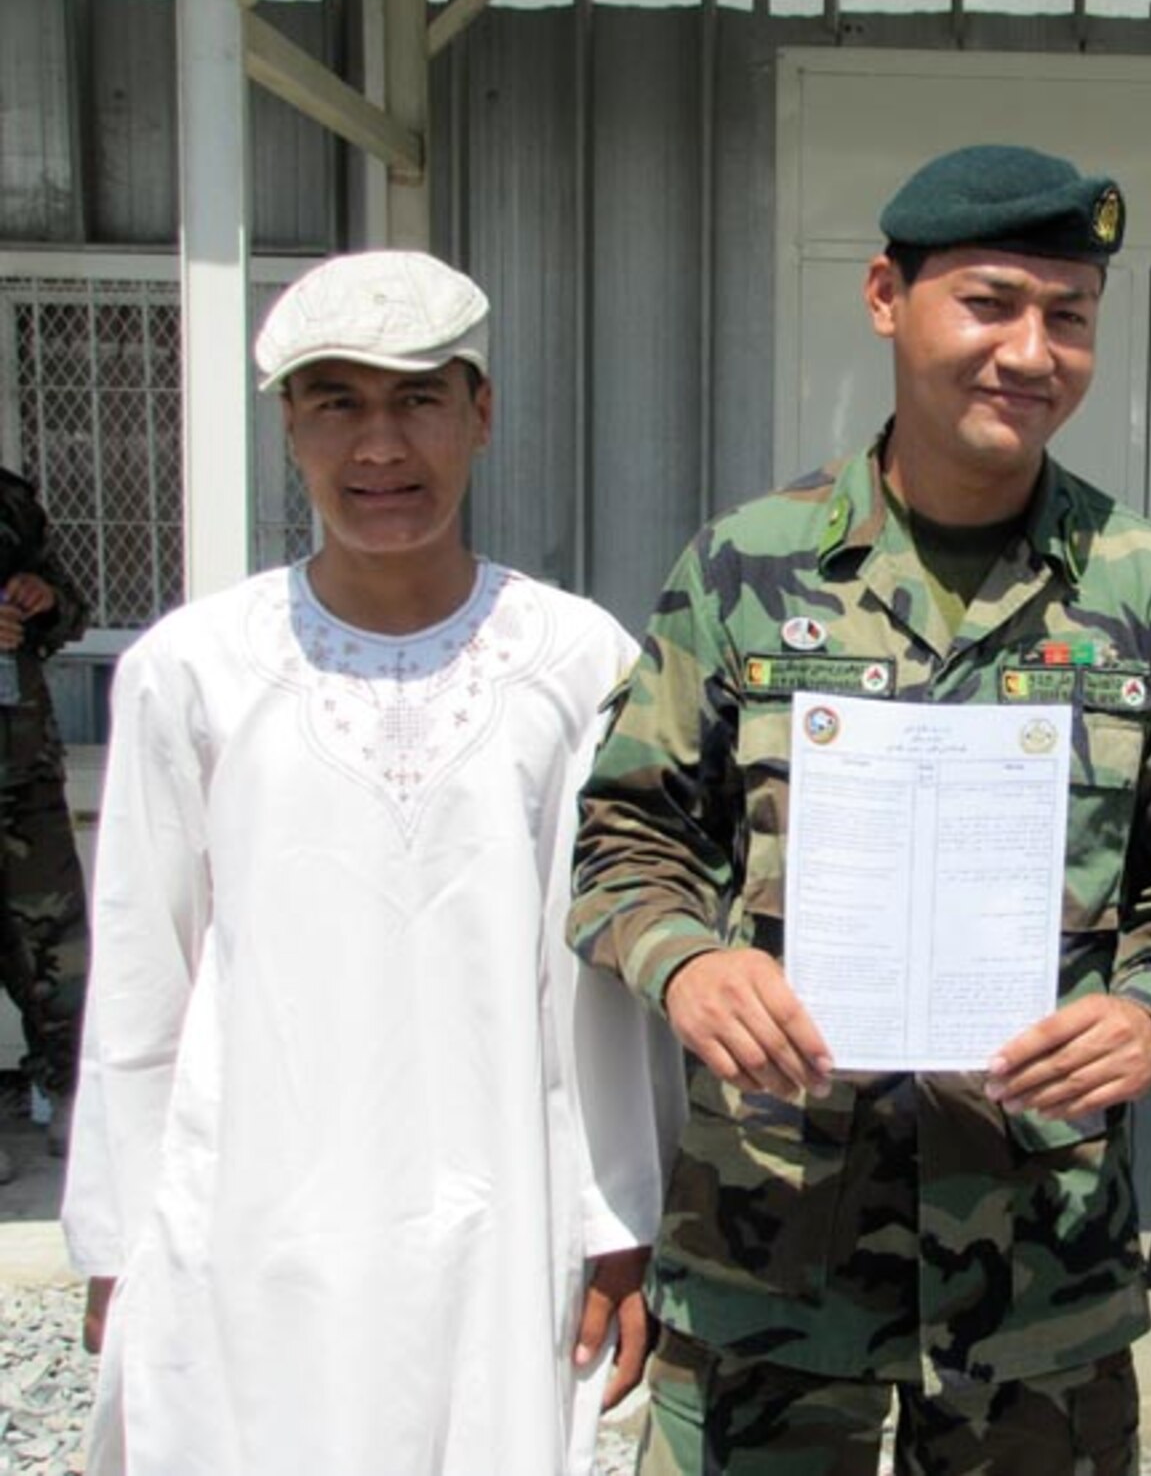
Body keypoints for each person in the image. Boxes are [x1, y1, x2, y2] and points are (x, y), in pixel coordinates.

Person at [570, 144, 1151, 1473]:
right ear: (887, 297)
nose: (1031, 352)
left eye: (1069, 316)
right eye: (990, 304)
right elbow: (622, 839)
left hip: (1037, 1279)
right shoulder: (746, 569)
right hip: (773, 1264)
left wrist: (1150, 1010)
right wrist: (687, 963)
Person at [60, 250, 664, 1476]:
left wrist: (616, 1220)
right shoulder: (195, 667)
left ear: (479, 413)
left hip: (498, 1207)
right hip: (257, 1202)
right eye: (337, 402)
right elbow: (140, 971)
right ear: (289, 425)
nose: (379, 445)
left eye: (417, 398)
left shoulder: (576, 659)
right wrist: (117, 1239)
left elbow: (599, 975)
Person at [0, 463, 92, 1182]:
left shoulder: (9, 501)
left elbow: (74, 612)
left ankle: (72, 1098)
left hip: (23, 770)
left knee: (57, 950)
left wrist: (47, 599)